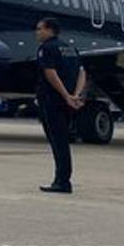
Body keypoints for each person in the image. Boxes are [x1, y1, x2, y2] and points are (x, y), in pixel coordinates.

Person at [35, 17, 86, 194]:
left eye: (40, 29)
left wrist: (65, 95)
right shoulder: (71, 48)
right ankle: (62, 179)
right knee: (63, 140)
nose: (37, 32)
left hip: (52, 100)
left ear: (50, 30)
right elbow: (82, 73)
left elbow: (50, 73)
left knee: (58, 142)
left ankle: (62, 181)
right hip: (68, 102)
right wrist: (75, 95)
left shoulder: (46, 49)